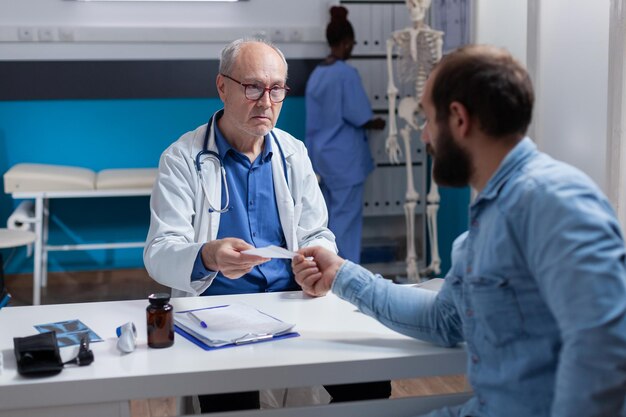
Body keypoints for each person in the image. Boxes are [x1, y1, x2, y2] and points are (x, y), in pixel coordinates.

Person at [293, 44, 626, 417]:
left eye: (427, 119)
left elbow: (605, 352)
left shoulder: (552, 199)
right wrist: (341, 274)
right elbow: (446, 318)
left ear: (458, 119)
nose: (423, 136)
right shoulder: (486, 220)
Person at [144, 37, 389, 412]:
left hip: (292, 304)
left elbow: (316, 232)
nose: (266, 102)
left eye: (276, 89)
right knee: (232, 398)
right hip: (217, 310)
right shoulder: (182, 159)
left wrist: (317, 260)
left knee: (369, 379)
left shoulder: (292, 152)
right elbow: (159, 253)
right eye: (254, 87)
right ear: (222, 87)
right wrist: (207, 255)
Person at [305, 6, 385, 263]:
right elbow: (359, 115)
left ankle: (324, 269)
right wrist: (378, 122)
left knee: (326, 221)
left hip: (322, 159)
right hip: (345, 161)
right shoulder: (346, 75)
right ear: (346, 42)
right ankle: (343, 274)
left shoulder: (318, 74)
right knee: (346, 224)